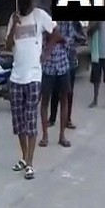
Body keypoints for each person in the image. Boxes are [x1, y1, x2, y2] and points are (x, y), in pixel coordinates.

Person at [6, 0, 61, 179]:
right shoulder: (14, 18)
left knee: (30, 120)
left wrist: (46, 52)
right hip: (16, 77)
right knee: (19, 123)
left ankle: (30, 163)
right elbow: (6, 46)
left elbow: (56, 32)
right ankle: (23, 156)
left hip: (34, 77)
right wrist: (13, 28)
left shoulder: (39, 15)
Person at [39, 20, 72, 148]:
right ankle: (45, 136)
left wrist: (56, 37)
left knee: (64, 100)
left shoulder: (67, 23)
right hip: (48, 66)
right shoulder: (45, 20)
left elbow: (69, 41)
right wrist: (55, 38)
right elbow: (41, 40)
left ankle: (62, 136)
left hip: (63, 64)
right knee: (45, 101)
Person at [48, 21, 85, 129]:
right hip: (56, 59)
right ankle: (52, 118)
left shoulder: (73, 22)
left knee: (68, 92)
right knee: (55, 91)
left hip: (70, 60)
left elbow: (81, 37)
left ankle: (67, 119)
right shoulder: (53, 21)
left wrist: (62, 39)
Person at [88, 21, 105, 108]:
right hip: (96, 53)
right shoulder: (92, 22)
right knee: (96, 79)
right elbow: (88, 33)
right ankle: (95, 100)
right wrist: (96, 26)